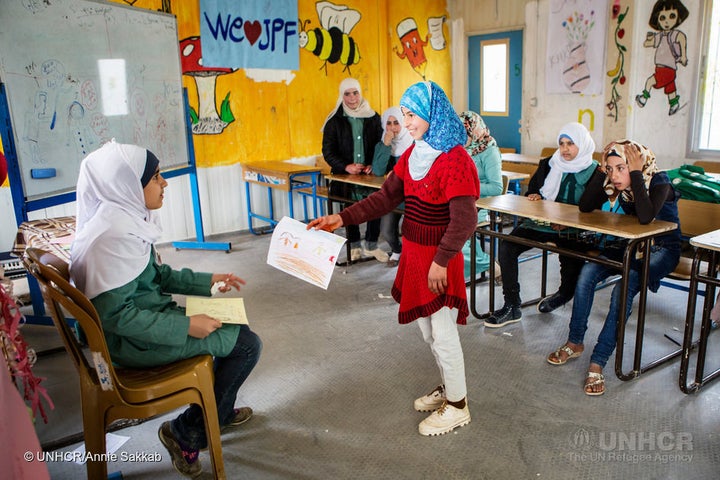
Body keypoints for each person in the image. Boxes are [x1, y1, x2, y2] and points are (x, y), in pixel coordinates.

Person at [70, 140, 262, 478]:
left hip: (147, 323)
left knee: (239, 332)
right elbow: (117, 318)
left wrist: (208, 281)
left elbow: (156, 275)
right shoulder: (111, 237)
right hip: (130, 344)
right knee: (246, 346)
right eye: (156, 177)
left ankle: (218, 410)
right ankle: (186, 431)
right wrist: (188, 326)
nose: (165, 183)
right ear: (128, 185)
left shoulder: (122, 219)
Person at [308, 81, 479, 436]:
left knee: (443, 332)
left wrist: (442, 260)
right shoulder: (414, 155)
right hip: (416, 257)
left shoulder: (456, 159)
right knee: (429, 331)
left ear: (432, 114)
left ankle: (459, 406)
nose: (407, 121)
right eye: (404, 114)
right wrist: (341, 219)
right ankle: (450, 388)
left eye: (413, 114)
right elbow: (384, 199)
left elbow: (465, 220)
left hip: (439, 261)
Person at [546, 140, 681, 395]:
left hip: (662, 249)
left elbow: (645, 216)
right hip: (629, 245)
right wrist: (601, 169)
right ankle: (575, 342)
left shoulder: (660, 181)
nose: (615, 176)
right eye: (611, 169)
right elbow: (586, 206)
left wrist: (637, 174)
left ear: (638, 165)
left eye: (622, 168)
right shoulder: (615, 180)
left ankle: (599, 359)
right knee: (587, 273)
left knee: (623, 288)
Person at [485, 122, 604, 328]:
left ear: (583, 144)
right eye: (561, 143)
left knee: (570, 266)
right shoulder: (549, 163)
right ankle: (512, 305)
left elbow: (594, 208)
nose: (564, 149)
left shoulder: (595, 172)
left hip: (576, 230)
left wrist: (568, 223)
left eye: (570, 144)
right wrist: (534, 196)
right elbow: (533, 190)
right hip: (542, 224)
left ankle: (564, 294)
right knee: (507, 247)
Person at [321, 78, 387, 263]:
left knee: (375, 208)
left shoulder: (374, 117)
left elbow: (380, 145)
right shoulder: (334, 121)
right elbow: (328, 151)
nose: (352, 98)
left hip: (370, 177)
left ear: (360, 93)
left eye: (355, 93)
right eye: (347, 94)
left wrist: (374, 164)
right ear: (342, 96)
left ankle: (371, 246)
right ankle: (355, 246)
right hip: (345, 178)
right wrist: (345, 166)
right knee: (349, 209)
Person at [458, 111, 503, 281]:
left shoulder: (488, 150)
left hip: (482, 203)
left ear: (474, 131)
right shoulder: (461, 149)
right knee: (436, 227)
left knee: (455, 237)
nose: (461, 138)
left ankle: (489, 265)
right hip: (461, 200)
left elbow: (496, 187)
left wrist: (467, 187)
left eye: (465, 134)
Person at [372, 106, 413, 266]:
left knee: (410, 230)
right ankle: (397, 250)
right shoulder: (383, 144)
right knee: (387, 230)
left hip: (410, 196)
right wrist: (386, 144)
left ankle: (411, 257)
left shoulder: (413, 143)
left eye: (396, 122)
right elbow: (377, 170)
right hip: (392, 196)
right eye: (388, 123)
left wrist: (398, 175)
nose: (392, 127)